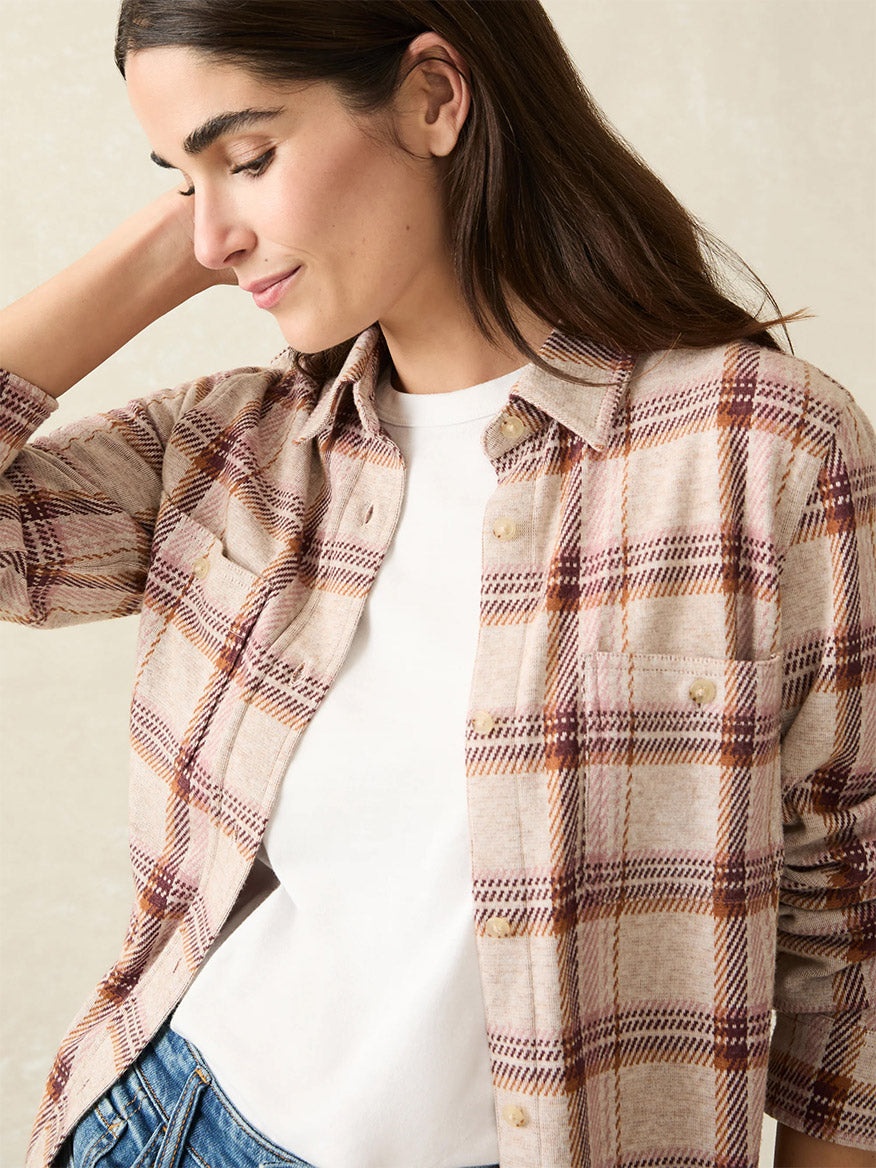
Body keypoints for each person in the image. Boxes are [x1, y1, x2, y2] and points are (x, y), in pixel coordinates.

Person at [1, 1, 873, 1166]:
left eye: (250, 155)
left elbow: (848, 916)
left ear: (433, 98)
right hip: (181, 1127)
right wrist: (167, 247)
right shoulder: (241, 453)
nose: (213, 233)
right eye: (180, 178)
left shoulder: (756, 450)